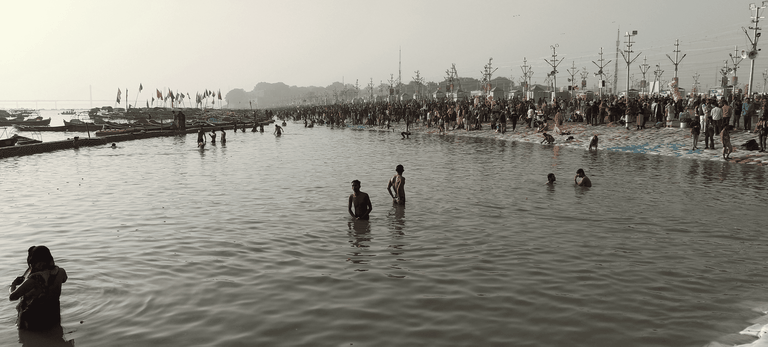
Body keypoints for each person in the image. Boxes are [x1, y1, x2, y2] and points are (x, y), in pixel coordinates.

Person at [9, 246, 68, 331]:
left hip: (34, 322)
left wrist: (13, 285)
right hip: (53, 317)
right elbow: (64, 280)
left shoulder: (35, 279)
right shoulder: (61, 272)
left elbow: (12, 297)